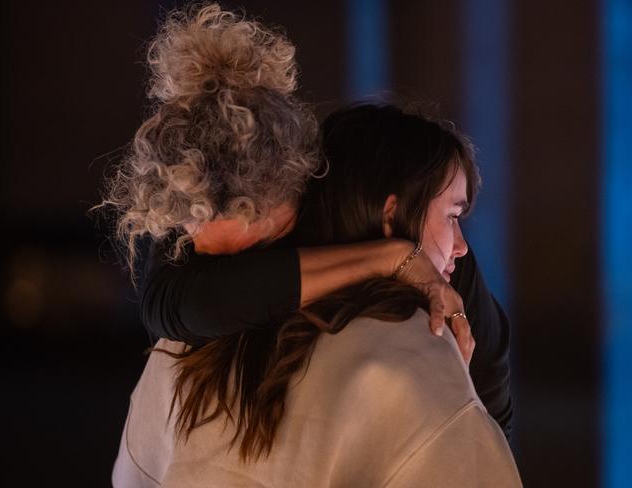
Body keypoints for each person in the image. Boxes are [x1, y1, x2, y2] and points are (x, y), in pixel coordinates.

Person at [99, 2, 513, 439]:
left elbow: (494, 427)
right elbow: (174, 302)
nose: (208, 261)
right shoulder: (200, 214)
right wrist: (393, 258)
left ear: (285, 196)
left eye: (231, 248)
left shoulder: (322, 205)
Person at [113, 103, 521, 487]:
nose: (462, 246)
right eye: (452, 215)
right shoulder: (413, 352)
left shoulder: (187, 348)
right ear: (390, 214)